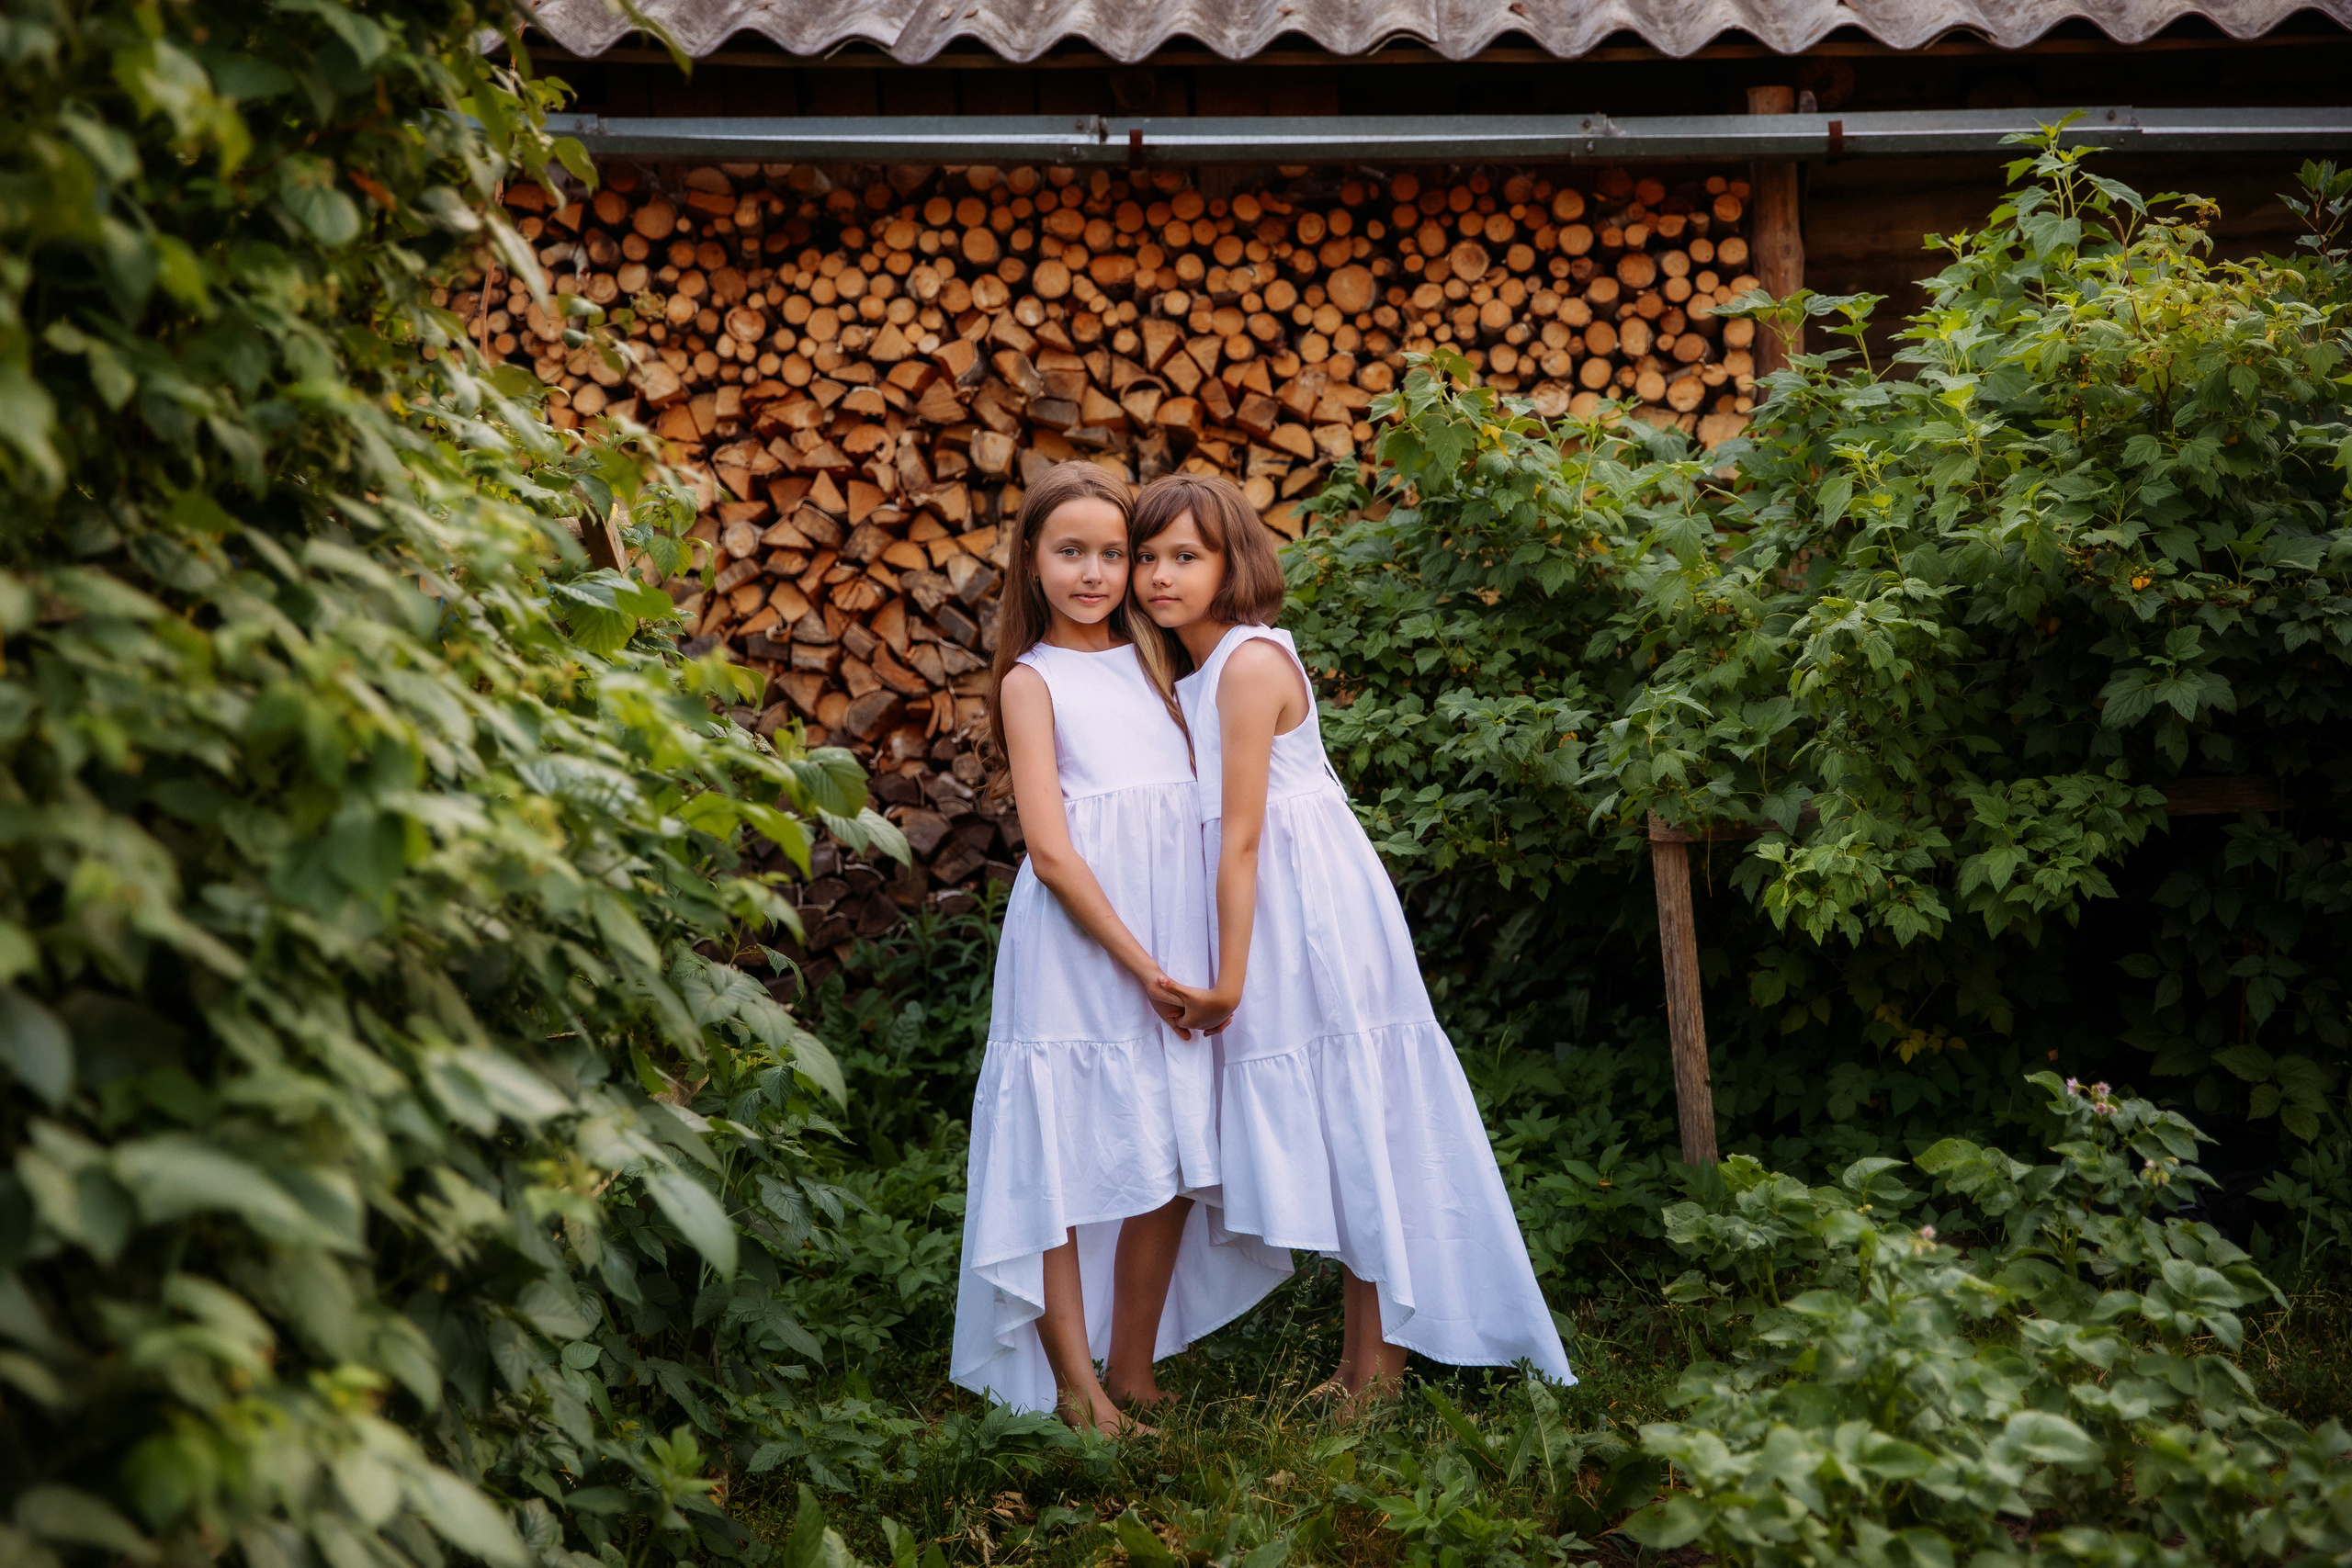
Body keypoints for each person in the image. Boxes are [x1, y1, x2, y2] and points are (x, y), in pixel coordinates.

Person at [1130, 472, 1572, 1404]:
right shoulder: (1196, 668)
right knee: (1339, 1123)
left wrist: (1228, 981)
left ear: (1231, 562)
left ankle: (1377, 1369)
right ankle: (1359, 1363)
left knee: (1357, 1115)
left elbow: (1242, 835)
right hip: (1273, 905)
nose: (1158, 576)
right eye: (1147, 556)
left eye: (1184, 557)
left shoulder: (1248, 664)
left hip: (1308, 911)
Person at [947, 462, 1290, 1432]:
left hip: (1172, 928)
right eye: (1072, 553)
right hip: (1082, 947)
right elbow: (1051, 852)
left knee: (1175, 1144)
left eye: (1114, 554)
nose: (1096, 574)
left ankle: (1131, 1366)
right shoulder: (1032, 681)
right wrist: (1139, 964)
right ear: (1030, 561)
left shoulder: (1163, 668)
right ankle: (1075, 1389)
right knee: (1059, 1155)